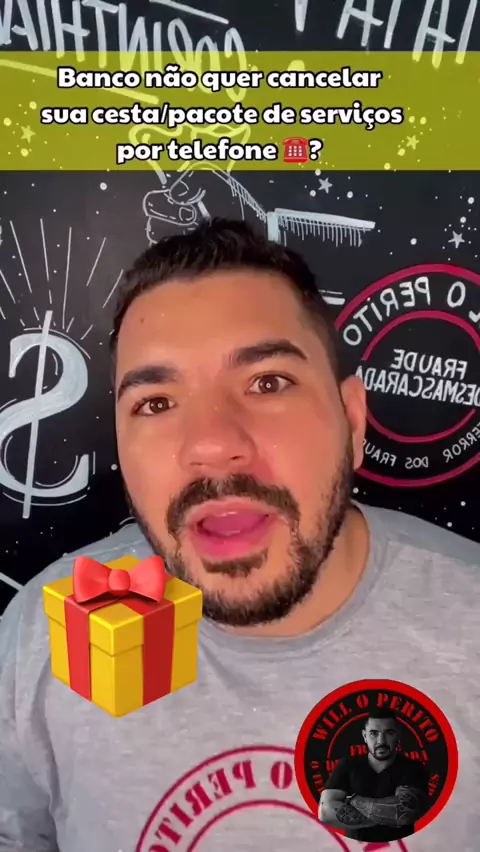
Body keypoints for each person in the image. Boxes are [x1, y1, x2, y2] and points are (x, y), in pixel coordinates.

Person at [0, 218, 478, 852]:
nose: (212, 444)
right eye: (156, 403)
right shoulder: (41, 634)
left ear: (353, 422)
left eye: (267, 382)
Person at [318, 708, 430, 842]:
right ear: (364, 736)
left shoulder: (413, 768)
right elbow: (325, 812)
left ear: (398, 736)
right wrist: (387, 815)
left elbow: (404, 813)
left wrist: (353, 801)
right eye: (373, 733)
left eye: (389, 732)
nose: (381, 741)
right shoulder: (348, 765)